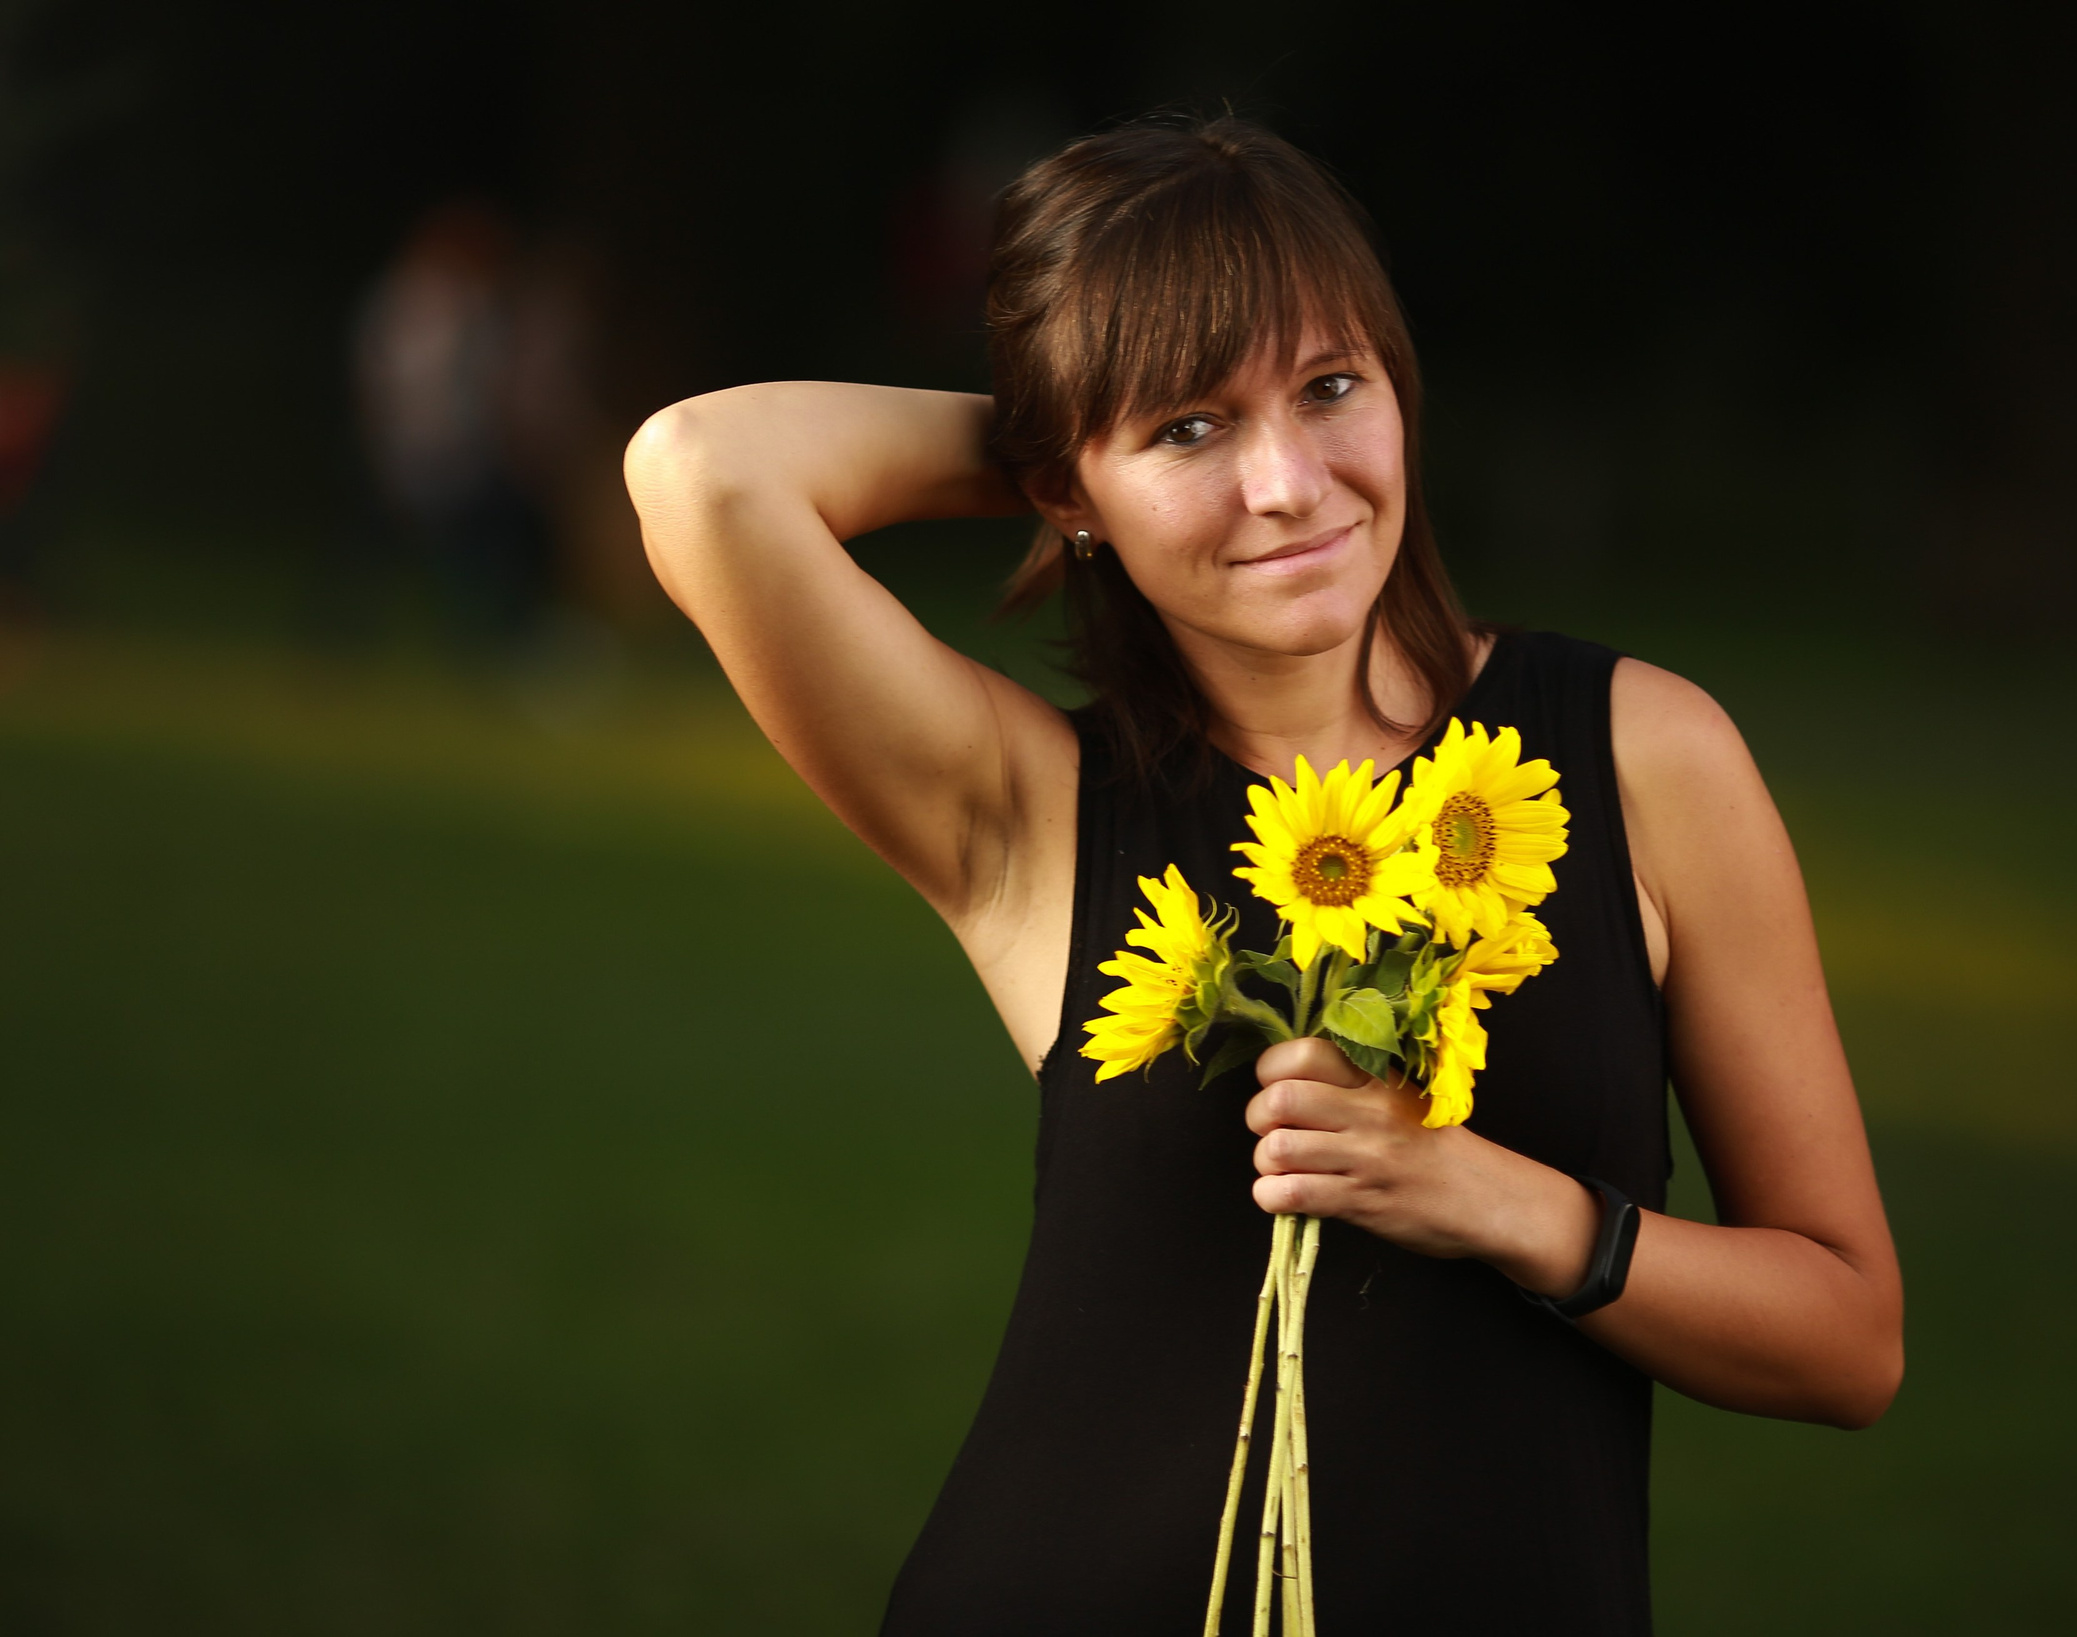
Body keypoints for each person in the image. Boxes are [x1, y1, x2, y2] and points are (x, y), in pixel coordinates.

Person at [624, 115, 1901, 1635]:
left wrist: (1503, 1203)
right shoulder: (1031, 812)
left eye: (1330, 387)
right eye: (1192, 428)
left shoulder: (1640, 758)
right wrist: (1063, 438)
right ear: (1069, 489)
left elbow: (1848, 1339)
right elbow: (702, 472)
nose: (1289, 483)